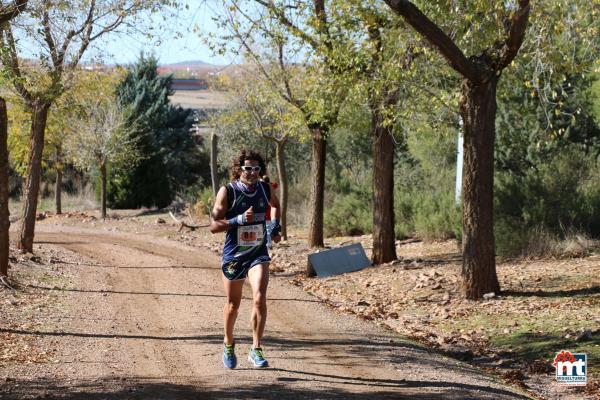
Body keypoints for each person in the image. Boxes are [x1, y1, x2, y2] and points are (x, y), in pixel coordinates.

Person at [209, 149, 281, 369]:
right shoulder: (227, 191)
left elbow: (276, 206)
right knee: (233, 305)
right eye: (248, 168)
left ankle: (256, 349)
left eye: (256, 169)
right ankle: (228, 342)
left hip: (258, 253)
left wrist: (275, 227)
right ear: (239, 169)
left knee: (259, 297)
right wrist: (238, 219)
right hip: (234, 255)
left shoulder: (265, 187)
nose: (252, 173)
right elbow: (214, 225)